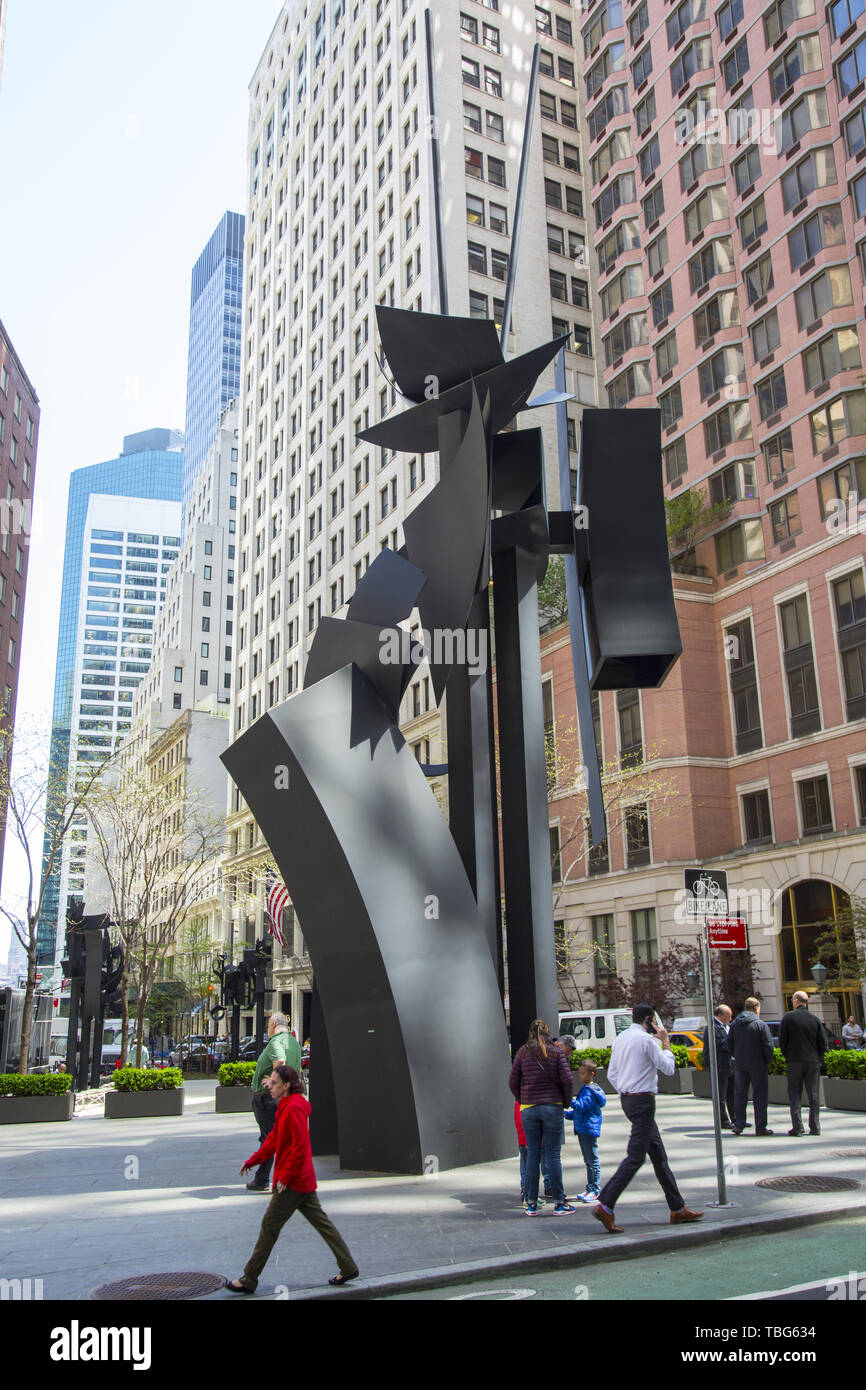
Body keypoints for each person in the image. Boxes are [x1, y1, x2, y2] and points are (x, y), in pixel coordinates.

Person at [225, 1065, 359, 1292]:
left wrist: (284, 1178)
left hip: (293, 1182)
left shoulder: (294, 1108)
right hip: (302, 1180)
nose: (270, 1087)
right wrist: (254, 1160)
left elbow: (299, 1146)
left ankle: (249, 1279)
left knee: (269, 1226)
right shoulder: (287, 1106)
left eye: (274, 1083)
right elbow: (275, 1139)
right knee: (322, 1223)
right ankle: (348, 1266)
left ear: (286, 1086)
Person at [593, 1003, 702, 1233]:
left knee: (659, 1156)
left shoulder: (622, 1038)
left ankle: (677, 1207)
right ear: (648, 1020)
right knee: (636, 1157)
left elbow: (612, 1073)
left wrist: (625, 1089)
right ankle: (606, 1205)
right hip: (643, 1101)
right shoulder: (646, 1041)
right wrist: (666, 1043)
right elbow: (668, 1068)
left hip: (628, 1099)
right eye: (654, 1021)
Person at [508, 1018, 576, 1215]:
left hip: (529, 1108)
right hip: (552, 1106)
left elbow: (512, 1080)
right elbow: (568, 1079)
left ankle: (530, 1203)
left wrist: (522, 1099)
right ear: (548, 1032)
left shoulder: (522, 1051)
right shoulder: (556, 1051)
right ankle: (559, 1202)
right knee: (553, 1155)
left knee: (532, 1155)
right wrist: (566, 1101)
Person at [247, 1013, 303, 1193]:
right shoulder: (294, 1043)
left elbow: (280, 1061)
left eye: (268, 1026)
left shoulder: (276, 1042)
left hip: (268, 1099)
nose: (267, 1030)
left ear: (272, 1024)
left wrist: (273, 1083)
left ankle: (263, 1180)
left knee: (269, 1139)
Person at [780, 991, 828, 1136]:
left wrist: (787, 1055)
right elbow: (823, 1043)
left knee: (794, 1093)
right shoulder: (815, 1019)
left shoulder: (788, 1017)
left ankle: (798, 1127)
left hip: (794, 1060)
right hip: (812, 1061)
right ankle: (815, 1126)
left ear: (796, 1000)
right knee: (813, 1094)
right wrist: (818, 1058)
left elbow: (782, 1041)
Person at [729, 996, 774, 1136]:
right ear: (756, 1008)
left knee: (740, 1094)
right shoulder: (760, 1024)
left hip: (740, 1063)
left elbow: (728, 1042)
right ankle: (760, 1127)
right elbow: (768, 1046)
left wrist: (736, 1055)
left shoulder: (735, 1024)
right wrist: (767, 1061)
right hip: (758, 1064)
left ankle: (739, 1124)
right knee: (760, 1095)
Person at [564, 1058, 607, 1204]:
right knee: (589, 1160)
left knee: (591, 1160)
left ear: (592, 1073)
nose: (580, 1076)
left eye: (583, 1073)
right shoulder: (587, 1090)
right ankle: (591, 1188)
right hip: (584, 1128)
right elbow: (579, 1111)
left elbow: (581, 1106)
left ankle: (594, 1189)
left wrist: (568, 1099)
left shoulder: (589, 1092)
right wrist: (567, 1114)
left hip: (587, 1129)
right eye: (580, 1073)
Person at [701, 1004, 735, 1128]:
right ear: (720, 1016)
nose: (730, 1019)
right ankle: (723, 1120)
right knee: (720, 1095)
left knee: (732, 1093)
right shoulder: (712, 1027)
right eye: (728, 1016)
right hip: (719, 1066)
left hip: (730, 1064)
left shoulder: (726, 1026)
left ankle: (735, 1118)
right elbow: (721, 1044)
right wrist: (732, 1043)